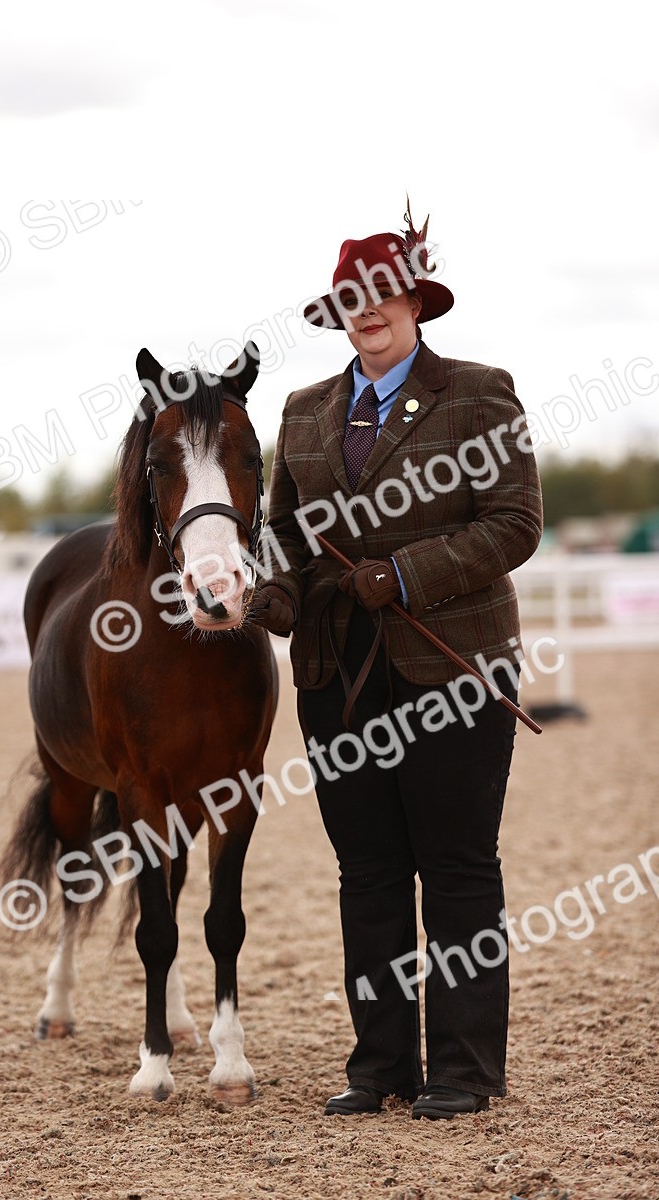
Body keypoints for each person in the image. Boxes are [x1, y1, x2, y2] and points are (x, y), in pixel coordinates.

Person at [252, 206, 543, 1120]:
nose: (366, 312)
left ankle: (462, 1068)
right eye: (350, 300)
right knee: (368, 873)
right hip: (336, 678)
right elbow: (287, 537)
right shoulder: (303, 412)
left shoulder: (481, 393)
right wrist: (281, 593)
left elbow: (515, 523)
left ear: (414, 299)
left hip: (455, 671)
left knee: (457, 870)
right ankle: (381, 1067)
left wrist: (407, 574)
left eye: (380, 295)